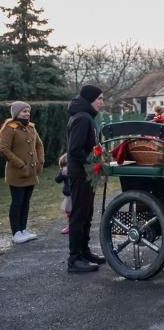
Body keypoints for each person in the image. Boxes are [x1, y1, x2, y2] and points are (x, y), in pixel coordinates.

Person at [66, 85, 106, 273]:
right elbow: (75, 150)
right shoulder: (82, 118)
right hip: (81, 173)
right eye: (99, 98)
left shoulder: (86, 116)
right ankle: (75, 259)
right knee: (79, 215)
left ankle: (84, 252)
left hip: (86, 173)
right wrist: (92, 164)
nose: (102, 102)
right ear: (90, 99)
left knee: (87, 214)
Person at [1, 101, 45, 245]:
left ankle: (23, 229)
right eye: (24, 111)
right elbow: (4, 149)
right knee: (17, 202)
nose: (27, 113)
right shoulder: (10, 128)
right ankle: (16, 233)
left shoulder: (31, 127)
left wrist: (40, 161)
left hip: (31, 173)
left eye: (28, 111)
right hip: (17, 173)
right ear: (16, 113)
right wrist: (20, 164)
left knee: (26, 202)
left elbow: (39, 144)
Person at [55, 154, 71, 235]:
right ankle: (71, 225)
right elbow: (57, 180)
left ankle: (72, 226)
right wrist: (61, 172)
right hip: (68, 194)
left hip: (72, 193)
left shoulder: (73, 170)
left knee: (70, 210)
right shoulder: (63, 171)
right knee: (68, 210)